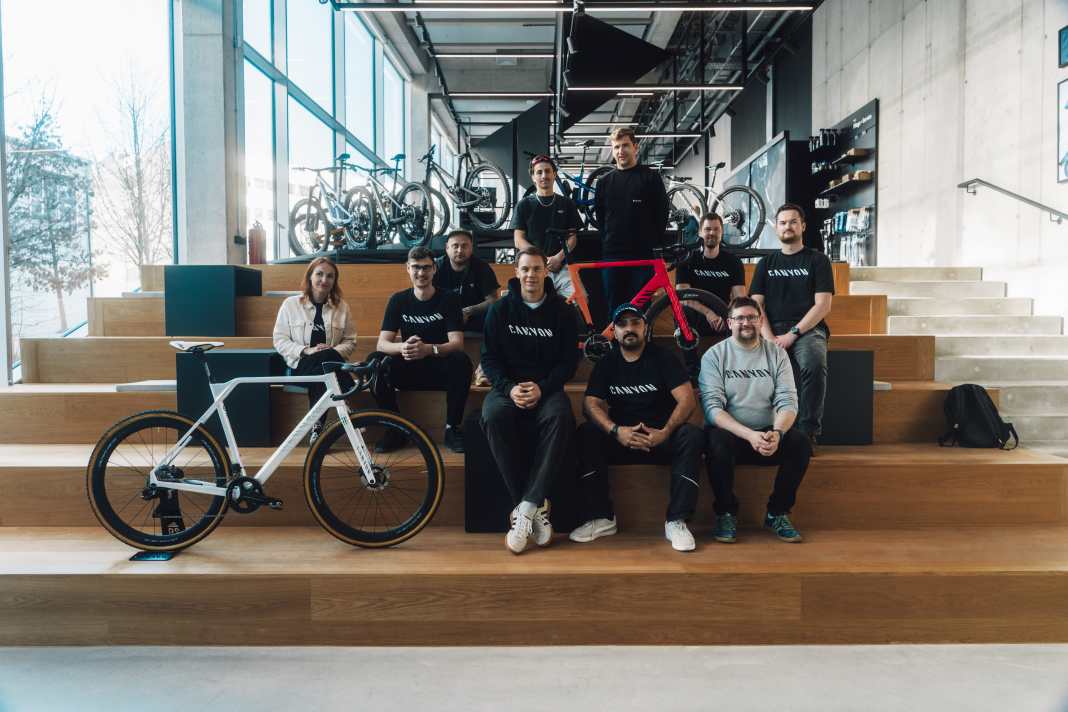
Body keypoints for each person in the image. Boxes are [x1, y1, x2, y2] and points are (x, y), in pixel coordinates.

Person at [570, 303, 704, 552]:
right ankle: (602, 518)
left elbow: (687, 399)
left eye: (635, 323)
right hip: (622, 439)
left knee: (692, 435)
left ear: (646, 327)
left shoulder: (664, 357)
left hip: (660, 438)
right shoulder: (607, 363)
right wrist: (615, 431)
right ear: (615, 332)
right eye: (622, 324)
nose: (629, 329)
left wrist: (664, 432)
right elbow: (590, 404)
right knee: (587, 433)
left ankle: (676, 520)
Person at [480, 246, 580, 554]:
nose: (531, 275)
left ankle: (524, 509)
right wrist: (509, 388)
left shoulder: (563, 311)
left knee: (561, 416)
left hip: (547, 389)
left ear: (546, 272)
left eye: (537, 269)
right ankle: (532, 507)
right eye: (525, 269)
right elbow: (489, 359)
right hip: (507, 389)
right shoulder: (499, 310)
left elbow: (568, 363)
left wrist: (543, 387)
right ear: (516, 272)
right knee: (492, 416)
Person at [699, 296, 811, 544]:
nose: (746, 323)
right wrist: (748, 435)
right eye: (740, 318)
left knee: (800, 443)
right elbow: (712, 409)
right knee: (715, 441)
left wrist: (778, 433)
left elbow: (788, 401)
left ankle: (777, 512)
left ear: (760, 321)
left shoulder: (777, 355)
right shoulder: (714, 356)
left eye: (751, 317)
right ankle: (726, 512)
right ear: (730, 323)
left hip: (767, 435)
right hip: (733, 437)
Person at [749, 203, 834, 451]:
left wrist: (792, 334)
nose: (788, 226)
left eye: (793, 221)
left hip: (807, 329)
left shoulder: (818, 260)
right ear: (777, 227)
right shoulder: (766, 263)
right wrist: (770, 337)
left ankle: (807, 432)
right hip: (769, 329)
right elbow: (757, 306)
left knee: (814, 363)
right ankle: (763, 430)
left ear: (803, 226)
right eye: (783, 222)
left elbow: (823, 305)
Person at [372, 246, 473, 454]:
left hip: (438, 369)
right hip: (407, 369)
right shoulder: (398, 300)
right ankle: (395, 429)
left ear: (434, 269)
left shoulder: (449, 299)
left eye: (426, 268)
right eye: (416, 267)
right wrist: (403, 347)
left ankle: (452, 428)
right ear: (407, 268)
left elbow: (457, 343)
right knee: (374, 361)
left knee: (461, 361)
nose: (421, 273)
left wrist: (429, 349)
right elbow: (382, 344)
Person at [272, 256, 357, 444]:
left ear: (334, 281)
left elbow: (350, 341)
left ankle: (317, 428)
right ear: (310, 276)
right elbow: (279, 340)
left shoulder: (342, 307)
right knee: (324, 361)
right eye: (319, 274)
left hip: (328, 366)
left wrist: (331, 350)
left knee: (324, 365)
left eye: (330, 276)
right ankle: (348, 396)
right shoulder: (291, 304)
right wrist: (306, 351)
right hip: (299, 365)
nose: (324, 280)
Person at [594, 126, 670, 312]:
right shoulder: (604, 182)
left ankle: (642, 341)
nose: (621, 151)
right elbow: (601, 218)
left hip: (643, 257)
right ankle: (614, 342)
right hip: (613, 256)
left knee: (641, 309)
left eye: (625, 145)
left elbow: (662, 215)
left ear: (635, 147)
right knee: (615, 309)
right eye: (616, 147)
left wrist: (652, 244)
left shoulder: (651, 177)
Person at [511, 154, 581, 298]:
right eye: (539, 172)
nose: (544, 175)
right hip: (533, 269)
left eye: (548, 171)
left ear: (554, 174)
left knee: (580, 299)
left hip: (562, 267)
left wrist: (558, 258)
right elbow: (518, 240)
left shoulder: (566, 204)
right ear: (533, 177)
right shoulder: (523, 205)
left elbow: (572, 238)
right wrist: (541, 259)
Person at [675, 212, 747, 337]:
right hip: (697, 314)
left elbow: (739, 298)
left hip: (723, 317)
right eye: (707, 229)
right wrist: (708, 313)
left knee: (739, 315)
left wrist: (727, 315)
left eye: (716, 229)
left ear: (721, 232)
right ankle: (690, 356)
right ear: (700, 232)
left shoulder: (733, 262)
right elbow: (683, 297)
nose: (712, 233)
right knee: (683, 312)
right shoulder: (687, 260)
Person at [432, 229, 500, 332]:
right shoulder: (436, 267)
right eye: (455, 246)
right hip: (443, 317)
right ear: (447, 248)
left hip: (474, 317)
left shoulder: (482, 267)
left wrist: (468, 311)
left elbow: (493, 301)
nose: (460, 250)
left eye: (464, 246)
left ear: (471, 248)